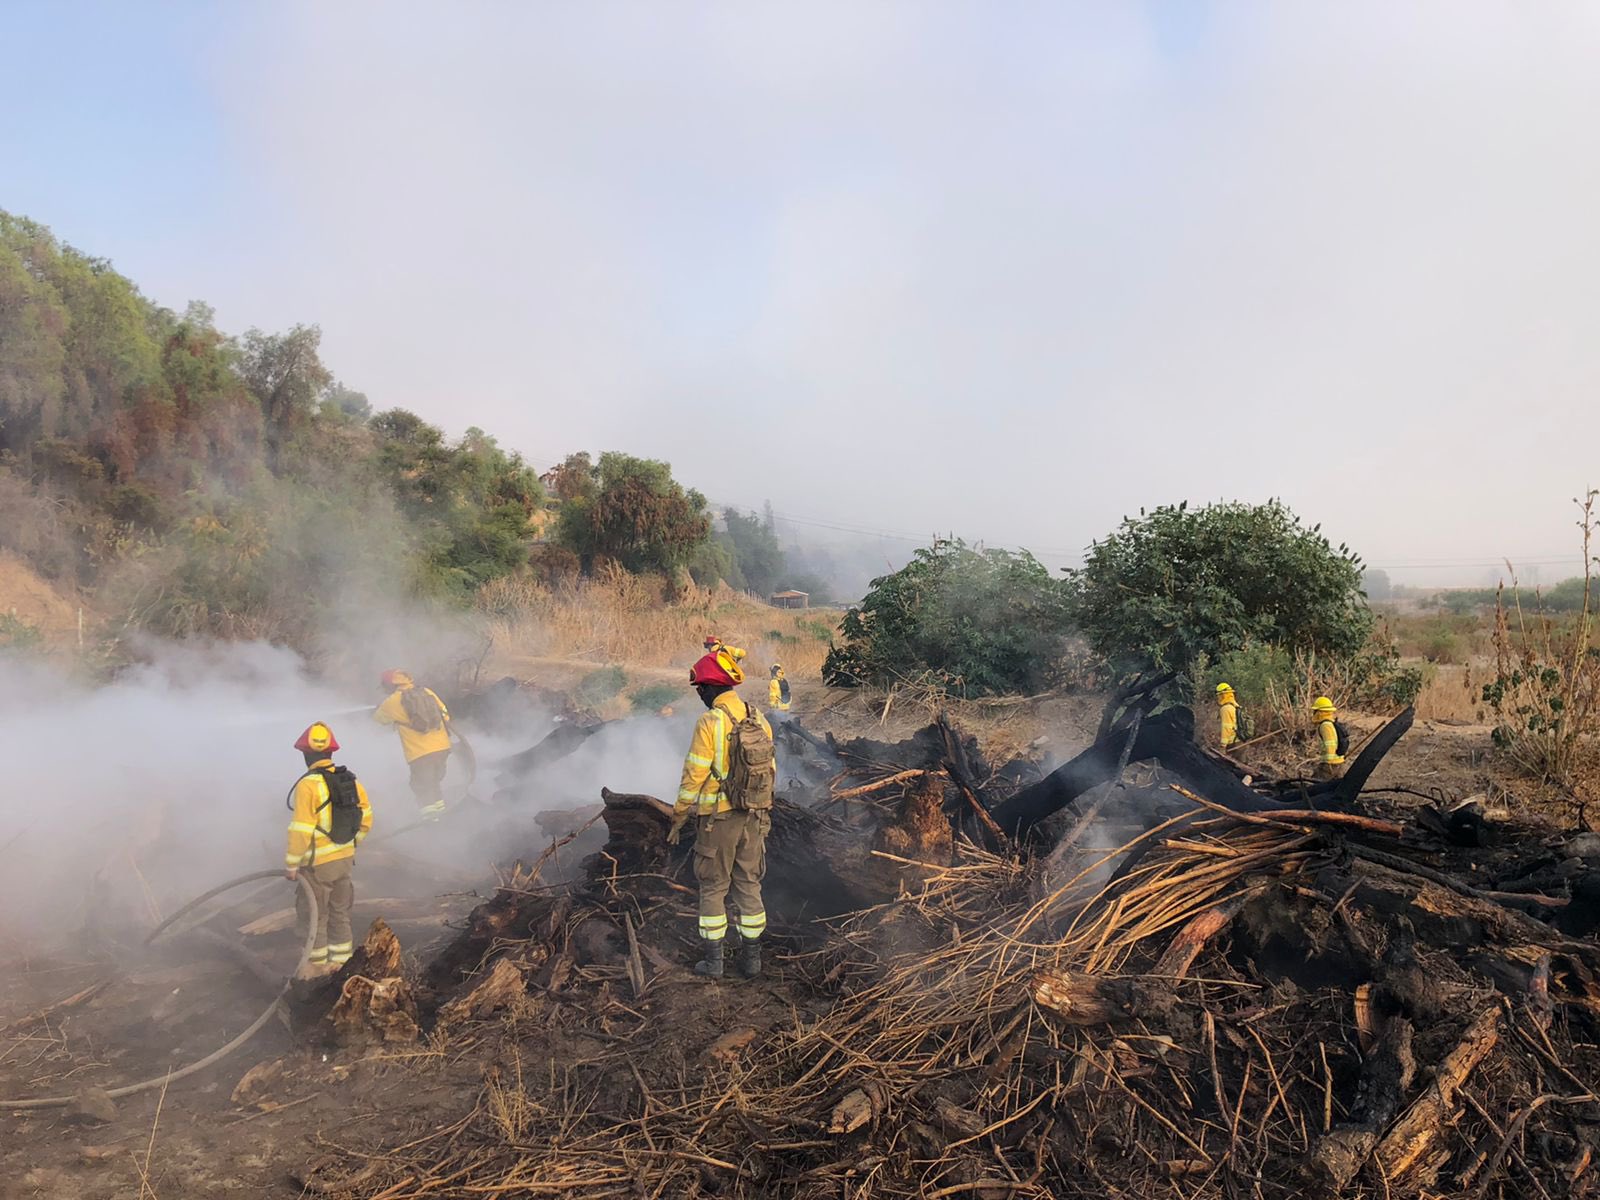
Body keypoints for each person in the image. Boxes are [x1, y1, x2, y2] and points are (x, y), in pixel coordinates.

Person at [668, 650, 775, 979]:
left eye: (700, 688)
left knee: (714, 887)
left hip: (719, 820)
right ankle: (752, 961)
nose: (699, 694)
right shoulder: (759, 718)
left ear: (709, 688)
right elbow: (770, 770)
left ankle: (714, 963)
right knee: (749, 883)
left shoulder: (710, 722)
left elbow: (694, 775)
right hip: (754, 817)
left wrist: (679, 815)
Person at [284, 722, 373, 978]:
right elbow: (366, 818)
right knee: (340, 914)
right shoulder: (350, 780)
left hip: (317, 866)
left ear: (305, 755)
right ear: (330, 752)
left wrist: (292, 863)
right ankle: (342, 966)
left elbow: (301, 828)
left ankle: (318, 971)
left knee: (316, 917)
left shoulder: (308, 785)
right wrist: (351, 845)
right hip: (344, 860)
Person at [374, 669, 452, 816]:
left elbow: (379, 719)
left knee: (422, 787)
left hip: (420, 752)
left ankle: (432, 821)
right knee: (433, 783)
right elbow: (446, 716)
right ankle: (442, 816)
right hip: (442, 748)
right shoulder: (427, 692)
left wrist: (380, 708)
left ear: (390, 685)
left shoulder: (392, 701)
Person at [1311, 696, 1347, 779]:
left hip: (1331, 764)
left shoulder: (1325, 726)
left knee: (1317, 783)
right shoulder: (1331, 723)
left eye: (1315, 711)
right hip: (1338, 762)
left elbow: (1330, 744)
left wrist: (1327, 763)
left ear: (1320, 712)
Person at [1216, 682, 1240, 750]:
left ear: (1223, 695)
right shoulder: (1235, 706)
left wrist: (1223, 745)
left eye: (1219, 695)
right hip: (1240, 741)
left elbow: (1226, 728)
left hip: (1233, 744)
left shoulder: (1226, 709)